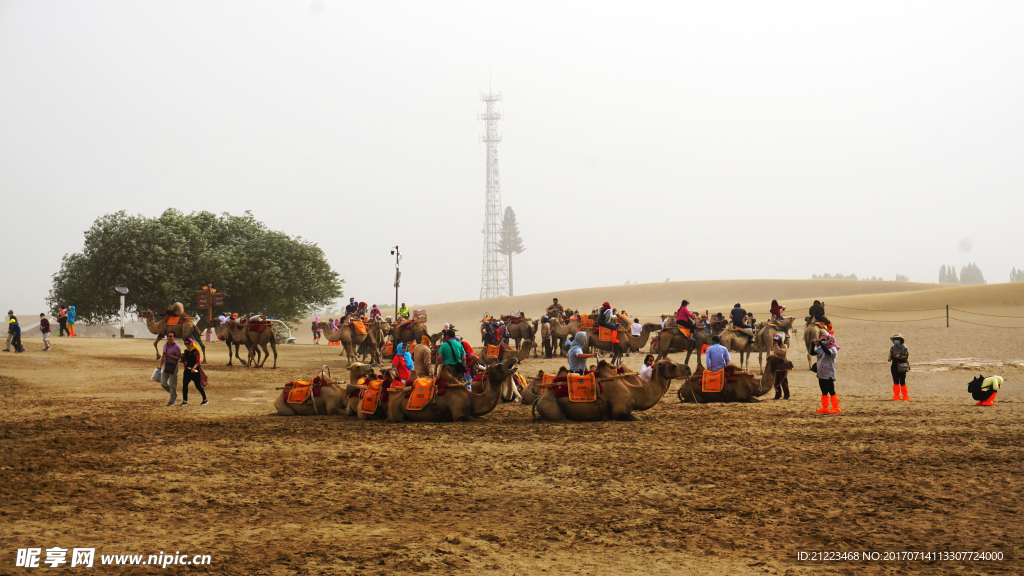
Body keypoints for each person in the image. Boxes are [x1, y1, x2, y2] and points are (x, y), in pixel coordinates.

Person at [812, 333, 841, 414]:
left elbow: (828, 352)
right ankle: (825, 408)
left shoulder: (833, 348)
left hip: (829, 374)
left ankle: (836, 408)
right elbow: (812, 353)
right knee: (824, 391)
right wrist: (812, 345)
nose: (823, 342)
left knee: (831, 391)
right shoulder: (821, 348)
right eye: (822, 340)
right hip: (821, 374)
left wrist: (821, 344)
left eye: (825, 340)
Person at [180, 337, 208, 406]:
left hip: (195, 371)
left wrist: (194, 368)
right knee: (184, 385)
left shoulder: (196, 350)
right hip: (187, 370)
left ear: (191, 343)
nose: (187, 345)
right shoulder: (186, 351)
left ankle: (205, 399)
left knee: (198, 386)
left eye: (188, 343)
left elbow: (198, 361)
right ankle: (185, 401)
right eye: (185, 344)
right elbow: (184, 361)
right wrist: (182, 357)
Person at [158, 333, 183, 407]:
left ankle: (172, 401)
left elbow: (178, 358)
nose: (169, 337)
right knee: (163, 383)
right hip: (166, 365)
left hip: (173, 366)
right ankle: (174, 394)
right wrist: (161, 365)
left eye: (170, 336)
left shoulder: (176, 347)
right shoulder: (165, 345)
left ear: (174, 338)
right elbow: (163, 355)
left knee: (172, 384)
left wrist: (169, 356)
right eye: (168, 336)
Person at [888, 333, 910, 401]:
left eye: (897, 339)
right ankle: (896, 395)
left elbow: (906, 357)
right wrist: (890, 358)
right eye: (895, 340)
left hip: (902, 365)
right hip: (894, 365)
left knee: (902, 381)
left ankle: (905, 396)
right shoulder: (892, 348)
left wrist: (899, 357)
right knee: (895, 381)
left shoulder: (904, 347)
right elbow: (890, 354)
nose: (896, 341)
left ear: (900, 340)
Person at [770, 333, 789, 400]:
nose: (775, 341)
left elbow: (781, 352)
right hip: (776, 367)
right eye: (774, 340)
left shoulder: (784, 346)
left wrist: (776, 345)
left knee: (783, 382)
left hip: (782, 367)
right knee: (776, 383)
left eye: (776, 340)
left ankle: (786, 396)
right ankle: (777, 395)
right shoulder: (775, 346)